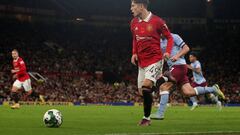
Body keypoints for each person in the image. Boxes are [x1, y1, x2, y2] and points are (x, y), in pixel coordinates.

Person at [150, 33, 225, 120]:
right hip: (176, 68)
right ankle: (213, 89)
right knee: (188, 92)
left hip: (179, 66)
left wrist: (177, 56)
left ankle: (160, 114)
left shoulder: (174, 37)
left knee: (164, 87)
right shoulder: (159, 42)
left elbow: (186, 48)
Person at [130, 0, 173, 126]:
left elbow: (169, 37)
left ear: (141, 6)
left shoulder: (157, 21)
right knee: (142, 92)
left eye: (133, 6)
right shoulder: (133, 23)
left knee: (146, 86)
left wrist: (168, 52)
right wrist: (134, 53)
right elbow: (135, 39)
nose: (131, 8)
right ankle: (164, 78)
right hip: (142, 62)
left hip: (155, 59)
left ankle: (146, 118)